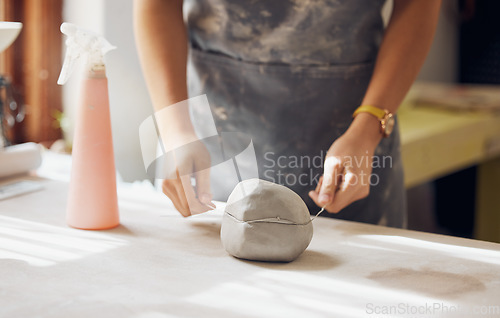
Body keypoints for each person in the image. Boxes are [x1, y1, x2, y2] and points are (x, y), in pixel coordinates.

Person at [134, 0, 441, 227]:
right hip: (212, 147)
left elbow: (418, 5)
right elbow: (157, 5)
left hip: (356, 132)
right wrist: (175, 130)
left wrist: (369, 127)